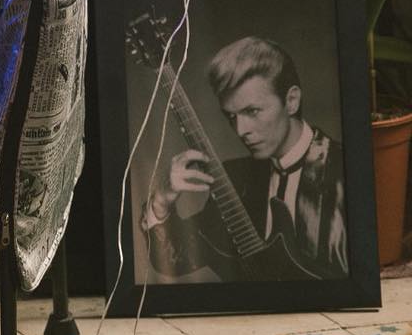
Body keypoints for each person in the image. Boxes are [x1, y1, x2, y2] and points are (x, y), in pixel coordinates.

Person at [142, 35, 347, 281]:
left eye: (252, 111)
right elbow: (178, 259)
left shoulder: (344, 170)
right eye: (231, 116)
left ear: (291, 101)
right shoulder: (235, 179)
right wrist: (161, 202)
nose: (240, 130)